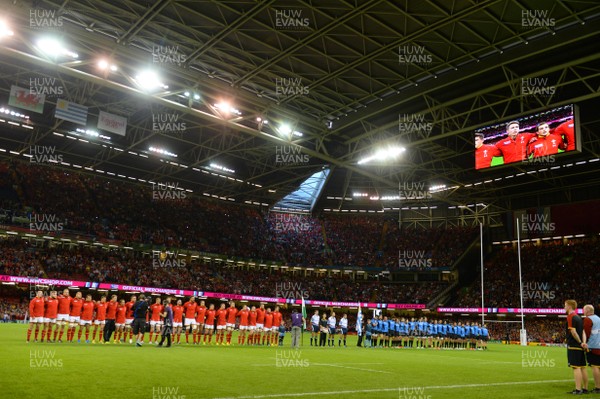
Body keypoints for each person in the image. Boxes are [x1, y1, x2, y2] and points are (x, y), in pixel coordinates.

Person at [565, 299, 587, 394]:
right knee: (582, 367)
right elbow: (583, 331)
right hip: (580, 345)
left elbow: (573, 332)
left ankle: (578, 389)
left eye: (565, 305)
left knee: (576, 367)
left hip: (574, 345)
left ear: (569, 306)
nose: (564, 307)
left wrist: (579, 342)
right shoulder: (578, 317)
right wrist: (583, 342)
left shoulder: (570, 317)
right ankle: (585, 388)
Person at [582, 304, 600, 393]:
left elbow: (586, 333)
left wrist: (585, 343)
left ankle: (598, 387)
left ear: (588, 311)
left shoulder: (588, 319)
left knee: (595, 366)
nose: (583, 312)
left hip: (593, 346)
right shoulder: (598, 318)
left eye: (584, 310)